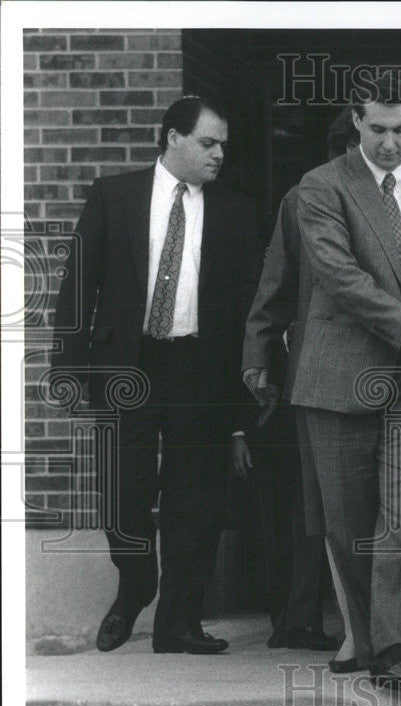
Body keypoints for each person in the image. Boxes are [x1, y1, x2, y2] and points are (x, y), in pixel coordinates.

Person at [51, 96, 261, 654]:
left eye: (223, 146)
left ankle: (178, 622)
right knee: (124, 488)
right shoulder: (114, 196)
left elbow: (247, 313)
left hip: (201, 370)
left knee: (196, 499)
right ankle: (135, 585)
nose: (218, 154)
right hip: (129, 364)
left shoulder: (235, 212)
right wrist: (68, 371)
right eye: (207, 143)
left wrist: (241, 410)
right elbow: (78, 286)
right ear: (172, 137)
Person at [292, 72, 401, 689]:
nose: (392, 143)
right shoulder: (322, 186)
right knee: (350, 526)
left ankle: (397, 651)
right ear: (357, 122)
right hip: (338, 379)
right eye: (380, 129)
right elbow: (341, 278)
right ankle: (369, 641)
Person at [241, 108, 359, 652]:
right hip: (318, 371)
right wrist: (258, 357)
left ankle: (325, 620)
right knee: (315, 507)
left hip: (374, 370)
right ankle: (302, 616)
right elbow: (276, 283)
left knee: (330, 507)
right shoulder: (303, 199)